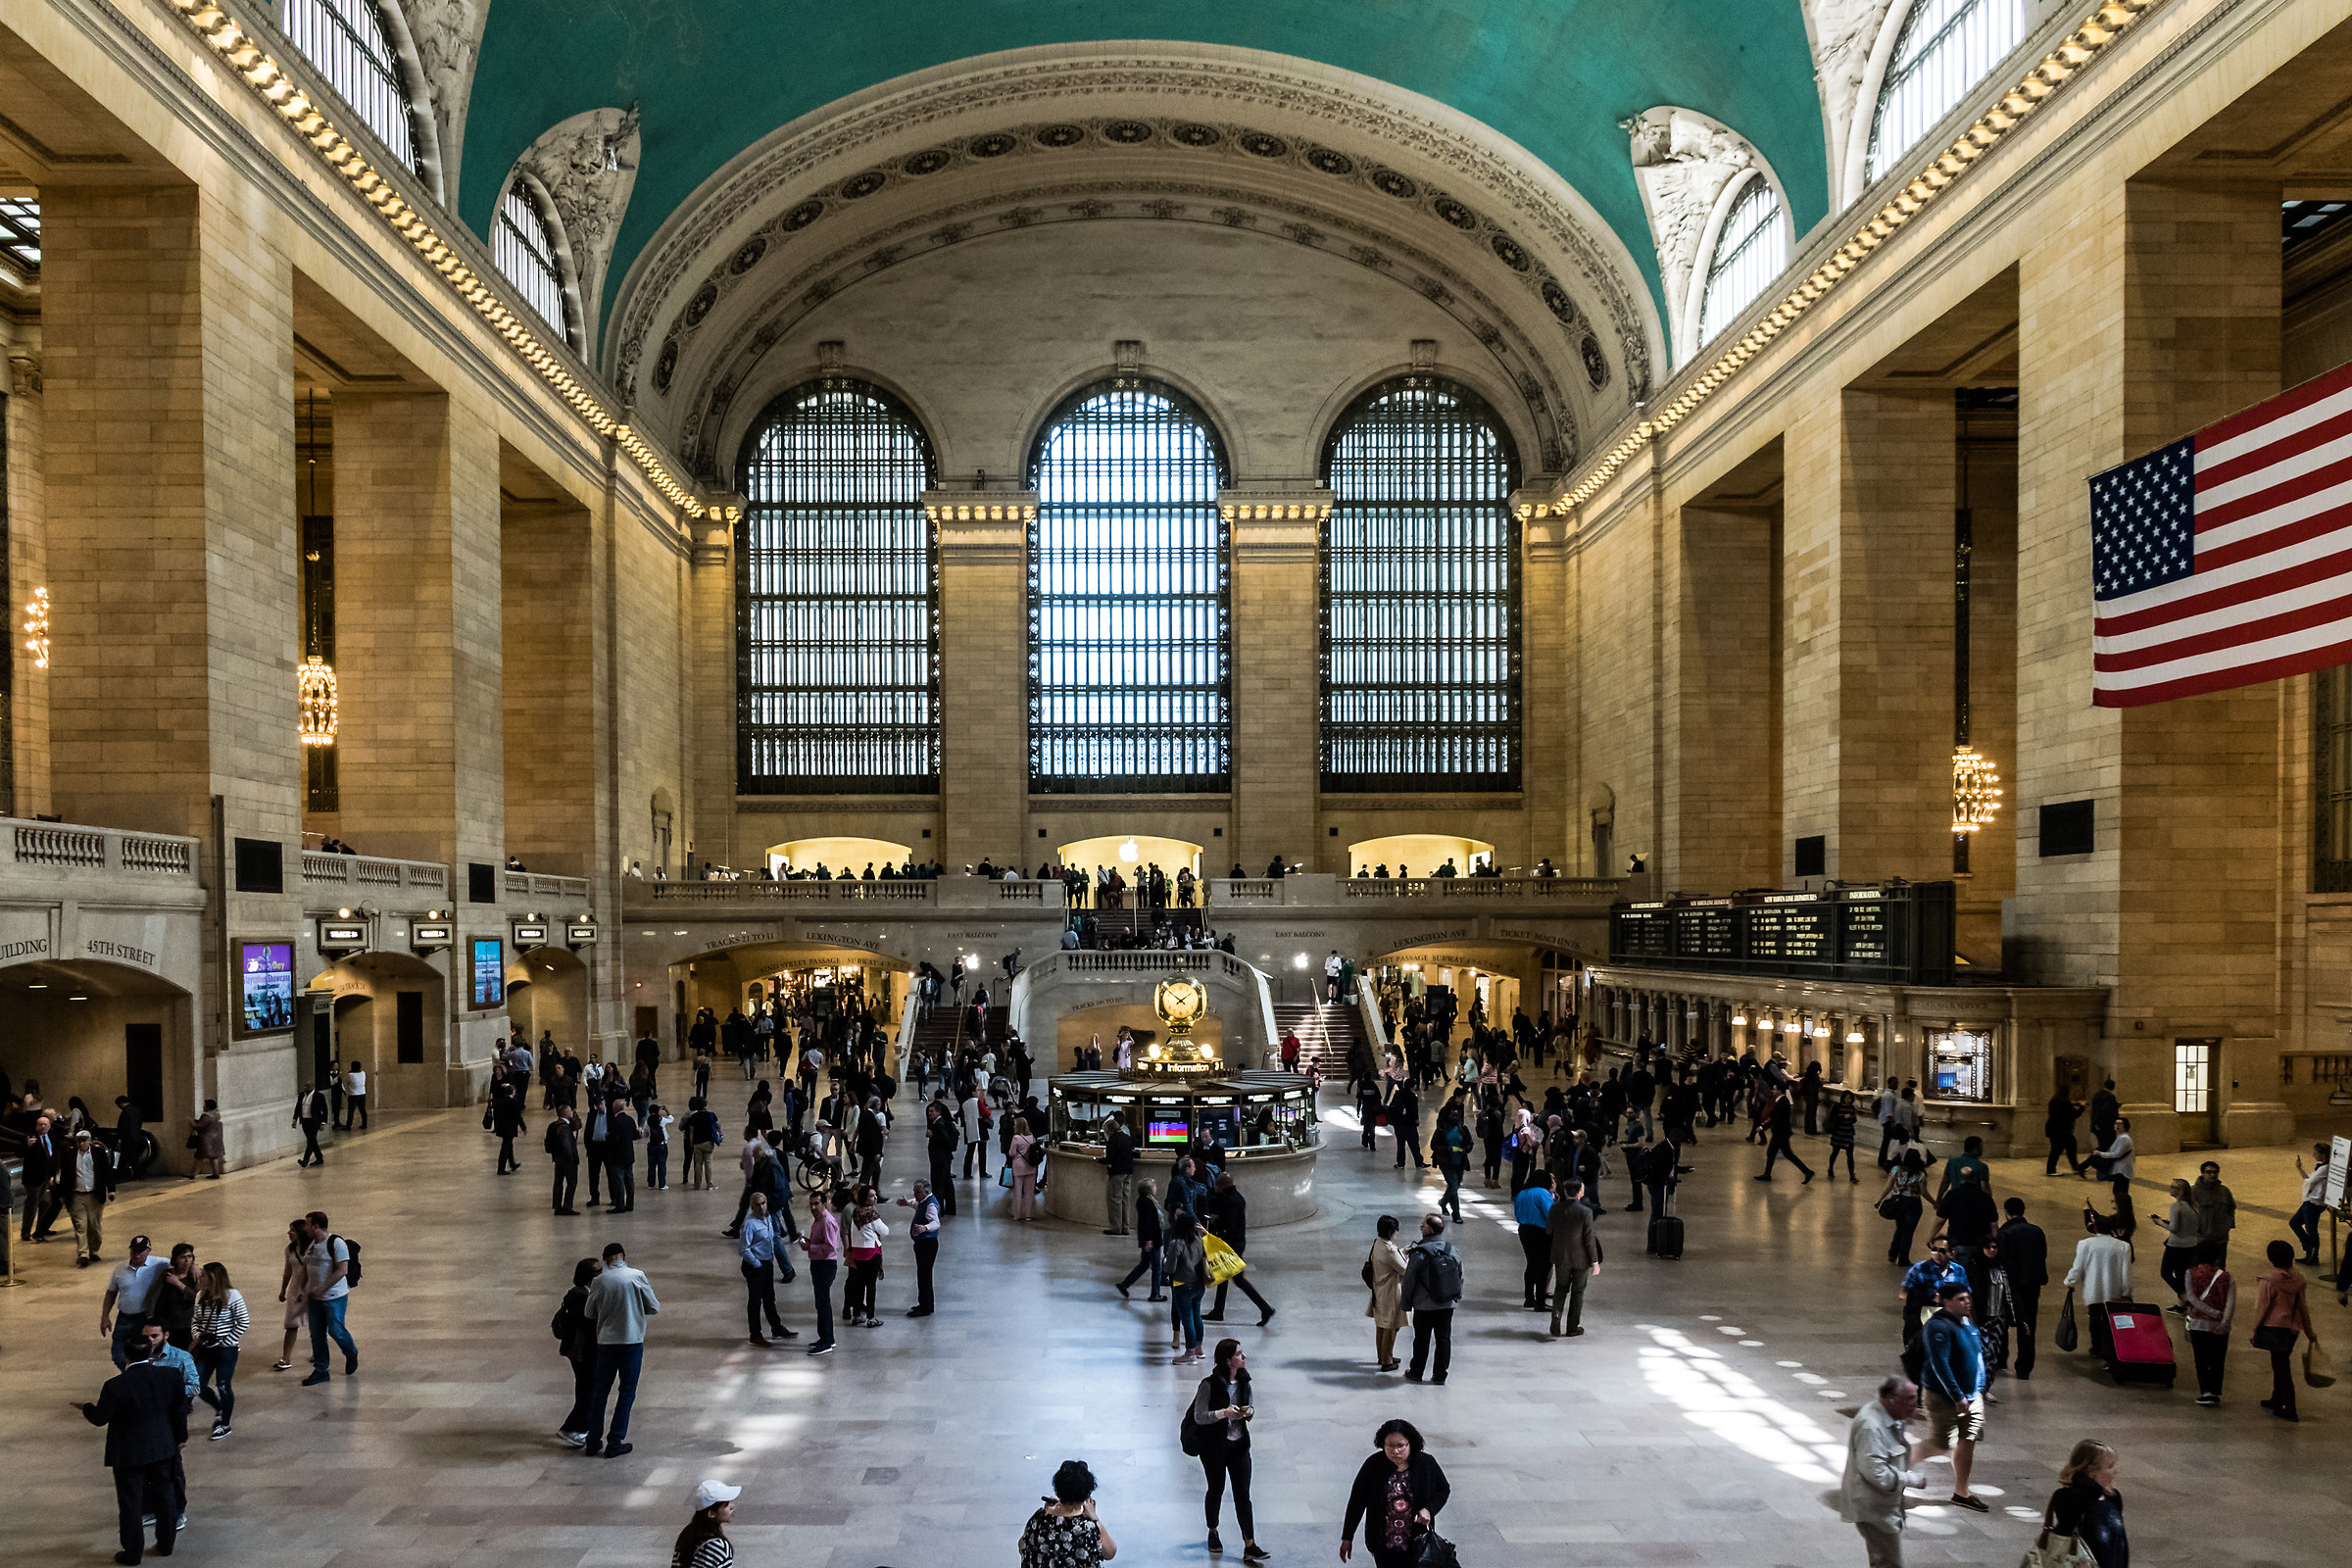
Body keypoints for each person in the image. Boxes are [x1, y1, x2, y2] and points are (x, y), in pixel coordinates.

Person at [75, 1321, 191, 1566]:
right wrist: (180, 1438)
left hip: (128, 1453)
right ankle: (166, 1544)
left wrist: (85, 1407)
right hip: (162, 1447)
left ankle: (132, 1553)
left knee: (131, 1503)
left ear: (125, 1355)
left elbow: (100, 1419)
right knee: (165, 1496)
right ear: (150, 1351)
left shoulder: (115, 1386)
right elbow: (179, 1411)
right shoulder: (170, 1376)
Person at [1837, 1375, 1925, 1568]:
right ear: (1891, 1398)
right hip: (1873, 1510)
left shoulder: (1893, 1414)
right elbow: (1876, 1472)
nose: (1915, 1403)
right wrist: (1912, 1480)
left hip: (1884, 1505)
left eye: (1915, 1397)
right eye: (1909, 1398)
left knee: (1884, 1561)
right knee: (1888, 1563)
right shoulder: (1871, 1427)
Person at [582, 1241, 660, 1455]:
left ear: (606, 1260)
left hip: (606, 1343)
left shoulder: (600, 1281)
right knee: (626, 1391)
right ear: (624, 1255)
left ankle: (593, 1440)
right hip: (631, 1341)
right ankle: (615, 1440)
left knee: (600, 1392)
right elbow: (653, 1306)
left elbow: (589, 1313)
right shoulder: (636, 1276)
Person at [1190, 1340, 1265, 1559]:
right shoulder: (1208, 1385)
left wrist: (1248, 1411)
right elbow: (1199, 1416)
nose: (1243, 1357)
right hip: (1214, 1448)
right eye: (1239, 1354)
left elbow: (1250, 1408)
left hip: (1239, 1446)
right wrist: (1224, 1413)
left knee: (1243, 1495)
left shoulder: (1244, 1381)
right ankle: (1213, 1531)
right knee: (1216, 1489)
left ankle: (1249, 1544)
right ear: (1227, 1360)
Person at [1915, 1281, 1986, 1511]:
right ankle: (1901, 1463)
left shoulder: (1967, 1322)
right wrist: (1957, 1396)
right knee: (1941, 1443)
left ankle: (1961, 1492)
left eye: (1968, 1298)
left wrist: (1979, 1387)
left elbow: (1977, 1355)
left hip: (1972, 1396)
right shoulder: (1938, 1326)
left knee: (1967, 1441)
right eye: (1961, 1299)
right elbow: (1940, 1364)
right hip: (1944, 1397)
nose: (1967, 1302)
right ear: (1945, 1302)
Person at [1340, 1418, 1449, 1568]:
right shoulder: (1373, 1465)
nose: (1395, 1451)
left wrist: (1429, 1510)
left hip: (1417, 1542)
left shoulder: (1426, 1463)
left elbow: (1443, 1489)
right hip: (1383, 1544)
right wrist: (1348, 1537)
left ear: (1410, 1444)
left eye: (1400, 1446)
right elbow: (1357, 1502)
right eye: (1390, 1446)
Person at [2251, 1239, 2314, 1420]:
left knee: (2281, 1368)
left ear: (2271, 1259)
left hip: (2273, 1328)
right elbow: (2303, 1307)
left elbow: (2262, 1308)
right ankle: (2277, 1398)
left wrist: (2254, 1330)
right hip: (2292, 1329)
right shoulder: (2298, 1279)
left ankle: (2290, 1406)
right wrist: (2309, 1331)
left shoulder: (2269, 1281)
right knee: (2280, 1363)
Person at [1203, 1172, 1276, 1326]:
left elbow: (1230, 1225)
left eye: (1218, 1185)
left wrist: (1217, 1220)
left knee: (1238, 1279)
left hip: (1232, 1245)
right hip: (1236, 1243)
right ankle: (1218, 1310)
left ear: (1223, 1185)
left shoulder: (1231, 1201)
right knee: (1224, 1277)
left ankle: (1265, 1308)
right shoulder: (1234, 1197)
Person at [1017, 1460, 1116, 1568]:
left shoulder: (1038, 1519)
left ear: (1057, 1491)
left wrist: (1049, 1512)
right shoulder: (1090, 1526)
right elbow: (1110, 1553)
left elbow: (1022, 1546)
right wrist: (1095, 1518)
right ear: (1087, 1495)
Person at [2044, 1440, 2127, 1568]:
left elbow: (2120, 1542)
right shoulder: (2068, 1497)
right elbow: (2091, 1491)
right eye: (2110, 1467)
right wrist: (2081, 1475)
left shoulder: (2113, 1497)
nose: (2115, 1471)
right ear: (2091, 1470)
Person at [1400, 1212, 1462, 1385]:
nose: (1421, 1228)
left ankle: (1416, 1372)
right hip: (1447, 1304)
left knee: (1421, 1339)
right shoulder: (1452, 1250)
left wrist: (1406, 1303)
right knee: (1444, 1339)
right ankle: (1440, 1375)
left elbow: (1409, 1280)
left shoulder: (1419, 1253)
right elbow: (1460, 1276)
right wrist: (1456, 1298)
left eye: (1422, 1226)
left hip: (1424, 1305)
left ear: (1429, 1230)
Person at [189, 1260, 246, 1441]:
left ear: (213, 1277)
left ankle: (225, 1424)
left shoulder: (232, 1295)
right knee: (197, 1384)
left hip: (226, 1350)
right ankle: (220, 1408)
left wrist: (225, 1341)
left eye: (204, 1275)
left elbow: (243, 1321)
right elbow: (195, 1320)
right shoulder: (201, 1295)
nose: (200, 1277)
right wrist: (198, 1336)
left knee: (223, 1384)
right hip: (206, 1348)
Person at [299, 1210, 357, 1386]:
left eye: (307, 1224)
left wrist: (322, 1289)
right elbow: (306, 1269)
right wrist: (304, 1289)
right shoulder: (312, 1244)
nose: (305, 1227)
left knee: (336, 1330)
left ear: (316, 1226)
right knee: (316, 1334)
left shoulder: (336, 1243)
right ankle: (321, 1369)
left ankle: (351, 1352)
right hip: (315, 1299)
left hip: (334, 1297)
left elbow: (342, 1270)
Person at [1994, 1198, 2048, 1380]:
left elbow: (2000, 1260)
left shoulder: (2005, 1232)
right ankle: (2024, 1367)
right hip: (2033, 1283)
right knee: (2028, 1324)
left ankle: (2001, 1358)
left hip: (2012, 1283)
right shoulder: (2037, 1231)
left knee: (2002, 1319)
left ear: (2006, 1212)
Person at [101, 1235, 172, 1369]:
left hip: (144, 1318)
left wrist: (195, 1269)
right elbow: (111, 1292)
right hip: (124, 1317)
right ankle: (129, 1376)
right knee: (118, 1354)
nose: (137, 1254)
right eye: (134, 1250)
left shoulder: (159, 1263)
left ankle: (138, 1378)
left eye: (141, 1251)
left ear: (148, 1251)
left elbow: (180, 1262)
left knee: (146, 1354)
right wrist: (105, 1317)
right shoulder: (120, 1269)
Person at [737, 1192, 797, 1346]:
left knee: (770, 1298)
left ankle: (776, 1328)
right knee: (755, 1300)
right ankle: (755, 1334)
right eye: (757, 1204)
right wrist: (757, 1264)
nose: (761, 1207)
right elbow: (743, 1249)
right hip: (755, 1266)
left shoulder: (768, 1217)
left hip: (767, 1263)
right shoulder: (749, 1224)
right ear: (751, 1206)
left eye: (763, 1203)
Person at [1546, 1178, 1602, 1338]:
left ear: (1565, 1192)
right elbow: (1588, 1238)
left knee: (1560, 1288)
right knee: (1578, 1292)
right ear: (1579, 1193)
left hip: (1561, 1256)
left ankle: (1556, 1314)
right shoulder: (1585, 1212)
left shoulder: (1555, 1209)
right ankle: (1572, 1327)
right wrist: (1595, 1261)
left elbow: (1549, 1230)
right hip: (1581, 1258)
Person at [553, 1257, 601, 1446]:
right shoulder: (582, 1298)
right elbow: (590, 1326)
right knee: (589, 1390)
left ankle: (579, 1426)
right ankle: (572, 1428)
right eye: (598, 1272)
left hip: (579, 1351)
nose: (601, 1274)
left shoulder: (578, 1293)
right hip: (582, 1352)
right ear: (589, 1276)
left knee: (586, 1389)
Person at [63, 1128, 121, 1266]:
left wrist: (111, 1190)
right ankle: (83, 1253)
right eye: (78, 1140)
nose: (81, 1143)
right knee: (80, 1225)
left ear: (90, 1141)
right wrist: (63, 1195)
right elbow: (64, 1177)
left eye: (84, 1140)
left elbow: (107, 1172)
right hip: (77, 1195)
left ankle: (94, 1251)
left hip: (95, 1195)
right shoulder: (69, 1155)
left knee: (94, 1225)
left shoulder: (98, 1153)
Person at [2184, 1254, 2234, 1406]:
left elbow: (2192, 1298)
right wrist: (2224, 1321)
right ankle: (2215, 1391)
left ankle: (2205, 1392)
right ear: (2217, 1259)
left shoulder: (2190, 1274)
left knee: (2201, 1358)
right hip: (2219, 1326)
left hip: (2198, 1323)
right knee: (2218, 1359)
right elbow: (2231, 1303)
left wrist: (2210, 1313)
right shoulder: (2227, 1277)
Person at [800, 1184, 841, 1355]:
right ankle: (826, 1337)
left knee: (823, 1304)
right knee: (821, 1303)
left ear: (824, 1204)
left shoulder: (827, 1222)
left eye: (817, 1203)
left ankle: (826, 1341)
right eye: (811, 1204)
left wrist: (810, 1247)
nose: (813, 1207)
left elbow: (831, 1247)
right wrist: (809, 1241)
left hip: (824, 1265)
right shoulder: (819, 1221)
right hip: (818, 1263)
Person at [1165, 1210, 1209, 1364]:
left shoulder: (1176, 1244)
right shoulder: (1199, 1240)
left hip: (1182, 1285)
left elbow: (1170, 1269)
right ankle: (1199, 1348)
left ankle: (1190, 1354)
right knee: (1197, 1315)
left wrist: (1165, 1262)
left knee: (1187, 1319)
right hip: (1199, 1285)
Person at [1365, 1214, 1409, 1371]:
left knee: (1381, 1325)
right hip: (1391, 1293)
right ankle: (1387, 1361)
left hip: (1379, 1290)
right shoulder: (1390, 1249)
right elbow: (1403, 1269)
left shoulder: (1377, 1243)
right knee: (1390, 1327)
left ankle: (1383, 1354)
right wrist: (1408, 1257)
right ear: (1391, 1231)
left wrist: (1402, 1252)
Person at [895, 1179, 941, 1315]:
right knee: (923, 1274)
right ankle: (926, 1304)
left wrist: (925, 1227)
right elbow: (916, 1204)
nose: (915, 1195)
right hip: (922, 1243)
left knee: (924, 1275)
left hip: (927, 1244)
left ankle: (925, 1307)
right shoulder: (923, 1201)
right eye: (914, 1191)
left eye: (917, 1192)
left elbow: (936, 1223)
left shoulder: (931, 1205)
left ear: (926, 1191)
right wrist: (907, 1203)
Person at [672, 1478, 742, 1568]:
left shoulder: (687, 1534)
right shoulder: (719, 1546)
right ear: (711, 1513)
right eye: (726, 1505)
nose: (731, 1507)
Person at [845, 1186, 889, 1326]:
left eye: (875, 1195)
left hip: (858, 1252)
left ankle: (856, 1314)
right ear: (865, 1198)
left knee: (859, 1284)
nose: (875, 1198)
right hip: (871, 1252)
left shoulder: (855, 1212)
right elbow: (885, 1231)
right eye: (871, 1196)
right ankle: (871, 1317)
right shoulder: (871, 1214)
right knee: (871, 1285)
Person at [2152, 1177, 2201, 1307]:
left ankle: (2185, 1296)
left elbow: (2174, 1229)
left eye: (2173, 1187)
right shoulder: (2194, 1206)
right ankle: (2182, 1304)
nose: (2170, 1188)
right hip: (2191, 1244)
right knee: (2181, 1273)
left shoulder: (2176, 1206)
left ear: (2179, 1190)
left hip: (2176, 1244)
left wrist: (2159, 1223)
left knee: (2166, 1272)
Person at [1876, 1150, 1929, 1265]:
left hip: (1897, 1202)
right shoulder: (1920, 1175)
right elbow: (1924, 1192)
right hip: (1913, 1204)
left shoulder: (1896, 1170)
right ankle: (1903, 1259)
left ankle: (1893, 1253)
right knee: (1908, 1232)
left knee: (1900, 1228)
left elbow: (1888, 1186)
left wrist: (1879, 1200)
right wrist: (1934, 1202)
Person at [1116, 1178, 1165, 1300]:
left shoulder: (1144, 1201)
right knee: (1156, 1266)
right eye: (1154, 1186)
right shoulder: (1147, 1202)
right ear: (1148, 1189)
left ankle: (1125, 1284)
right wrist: (1149, 1240)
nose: (1156, 1188)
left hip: (1149, 1238)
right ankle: (1155, 1293)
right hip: (1152, 1239)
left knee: (1144, 1264)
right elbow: (1147, 1222)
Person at [1512, 1170, 1555, 1309]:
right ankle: (1540, 1302)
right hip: (1541, 1232)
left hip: (1524, 1230)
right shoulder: (1542, 1193)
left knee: (1531, 1264)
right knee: (1543, 1266)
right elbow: (1550, 1213)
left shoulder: (1521, 1194)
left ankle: (1529, 1298)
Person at [2290, 1141, 2332, 1264]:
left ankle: (2313, 1255)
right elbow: (2308, 1179)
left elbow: (2310, 1181)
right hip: (2309, 1201)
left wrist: (2305, 1177)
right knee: (2294, 1223)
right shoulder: (2320, 1166)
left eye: (2316, 1152)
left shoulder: (2324, 1168)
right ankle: (2309, 1247)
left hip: (2315, 1203)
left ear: (2323, 1154)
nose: (2313, 1154)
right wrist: (2299, 1168)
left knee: (2311, 1229)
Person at [2188, 1159, 2236, 1266]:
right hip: (2201, 1239)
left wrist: (2227, 1225)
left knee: (2219, 1269)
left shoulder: (2224, 1191)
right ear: (2202, 1174)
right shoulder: (2194, 1192)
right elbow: (2188, 1213)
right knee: (2199, 1270)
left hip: (2220, 1239)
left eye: (2215, 1172)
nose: (2213, 1175)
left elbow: (2231, 1208)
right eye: (2209, 1172)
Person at [1432, 1112, 1471, 1221]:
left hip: (1459, 1162)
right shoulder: (1441, 1129)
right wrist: (1446, 1149)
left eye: (1456, 1115)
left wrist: (1465, 1149)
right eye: (1452, 1115)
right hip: (1446, 1162)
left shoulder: (1462, 1128)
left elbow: (1469, 1143)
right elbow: (1433, 1145)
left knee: (1455, 1186)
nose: (1454, 1118)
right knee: (1453, 1185)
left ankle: (1443, 1202)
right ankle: (1456, 1214)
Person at [2081, 1115, 2133, 1195]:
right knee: (2118, 1191)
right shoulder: (2120, 1137)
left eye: (2120, 1124)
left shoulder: (2124, 1138)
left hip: (2122, 1170)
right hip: (2120, 1169)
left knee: (2120, 1192)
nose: (2117, 1125)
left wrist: (2100, 1154)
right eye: (2116, 1123)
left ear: (2125, 1126)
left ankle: (2081, 1167)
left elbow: (2117, 1154)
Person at [1102, 1114, 1136, 1235]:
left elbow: (1110, 1159)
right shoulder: (1127, 1138)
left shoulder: (1112, 1141)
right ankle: (1125, 1227)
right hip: (1128, 1171)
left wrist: (1099, 1160)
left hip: (1117, 1173)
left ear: (1110, 1130)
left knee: (1115, 1200)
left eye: (1105, 1131)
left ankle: (1116, 1228)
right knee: (1125, 1200)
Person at [546, 1104, 582, 1215]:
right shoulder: (565, 1128)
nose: (572, 1112)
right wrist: (571, 1158)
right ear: (566, 1113)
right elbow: (566, 1145)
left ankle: (557, 1206)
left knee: (558, 1182)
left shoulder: (553, 1125)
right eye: (570, 1111)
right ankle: (567, 1206)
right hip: (566, 1160)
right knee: (572, 1182)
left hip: (557, 1158)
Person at [1006, 1115, 1041, 1221]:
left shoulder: (1016, 1138)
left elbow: (1011, 1153)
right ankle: (1028, 1215)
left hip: (1019, 1167)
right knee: (1029, 1192)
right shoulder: (1031, 1137)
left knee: (1017, 1191)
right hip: (1031, 1167)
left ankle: (1016, 1214)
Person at [2044, 1087, 2084, 1176]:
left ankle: (2075, 1167)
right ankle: (2051, 1170)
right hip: (2061, 1130)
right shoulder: (2065, 1103)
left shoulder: (2052, 1101)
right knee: (2059, 1149)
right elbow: (2074, 1114)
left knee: (2067, 1146)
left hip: (2053, 1128)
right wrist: (2082, 1107)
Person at [291, 1081, 329, 1167]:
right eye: (304, 1085)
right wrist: (295, 1119)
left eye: (307, 1086)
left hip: (314, 1121)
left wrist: (323, 1123)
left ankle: (305, 1161)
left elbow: (325, 1110)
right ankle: (319, 1157)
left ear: (312, 1087)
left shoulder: (319, 1096)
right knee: (312, 1140)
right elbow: (298, 1108)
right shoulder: (301, 1095)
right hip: (305, 1121)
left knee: (311, 1141)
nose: (305, 1088)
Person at [188, 1100, 225, 1179]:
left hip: (206, 1139)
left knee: (199, 1156)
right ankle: (216, 1173)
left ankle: (194, 1173)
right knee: (214, 1157)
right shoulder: (217, 1115)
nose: (203, 1107)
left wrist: (191, 1122)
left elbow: (199, 1126)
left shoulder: (206, 1116)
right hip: (216, 1139)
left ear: (207, 1107)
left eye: (204, 1105)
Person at [343, 1059, 368, 1130]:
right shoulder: (363, 1073)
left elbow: (346, 1083)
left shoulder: (350, 1075)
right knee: (363, 1110)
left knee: (351, 1111)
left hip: (353, 1095)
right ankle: (364, 1124)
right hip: (362, 1093)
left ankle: (348, 1125)